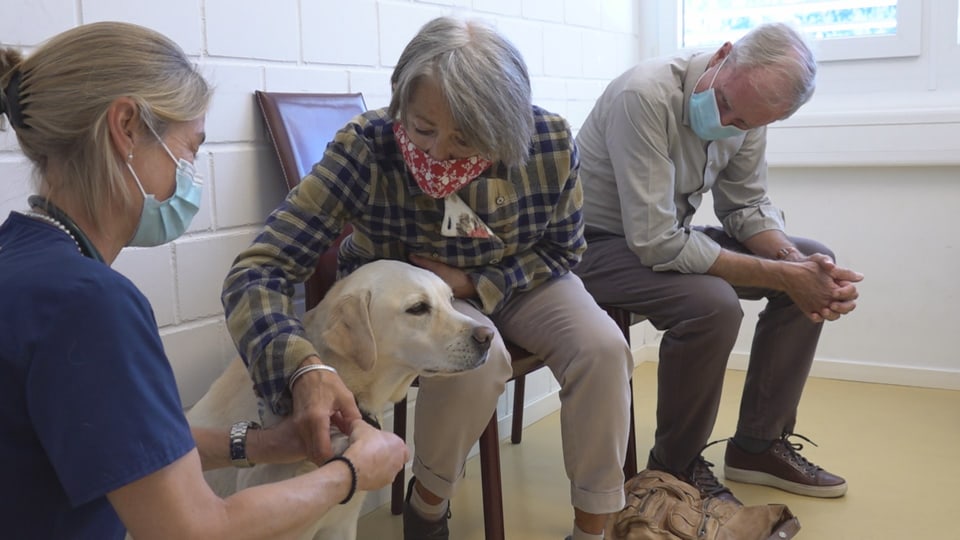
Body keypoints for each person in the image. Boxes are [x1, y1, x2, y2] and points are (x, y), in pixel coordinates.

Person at [222, 16, 634, 540]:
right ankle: (428, 506)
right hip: (417, 296)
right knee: (478, 366)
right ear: (400, 101)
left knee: (603, 348)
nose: (438, 154)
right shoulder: (366, 147)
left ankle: (593, 528)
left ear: (507, 129)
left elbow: (565, 248)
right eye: (422, 129)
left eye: (465, 140)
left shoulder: (550, 144)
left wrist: (476, 286)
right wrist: (298, 365)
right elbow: (260, 268)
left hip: (522, 277)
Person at [0, 21, 407, 540]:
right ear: (125, 126)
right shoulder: (90, 304)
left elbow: (125, 437)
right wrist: (349, 474)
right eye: (189, 149)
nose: (190, 174)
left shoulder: (21, 259)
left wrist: (261, 444)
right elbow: (195, 529)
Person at [572, 22, 863, 503]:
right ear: (724, 55)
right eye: (726, 104)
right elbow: (656, 242)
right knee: (712, 304)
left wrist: (799, 266)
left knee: (814, 259)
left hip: (659, 235)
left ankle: (756, 445)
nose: (729, 123)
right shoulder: (642, 95)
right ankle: (674, 467)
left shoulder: (753, 107)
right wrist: (786, 275)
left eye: (745, 123)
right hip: (592, 247)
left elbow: (745, 206)